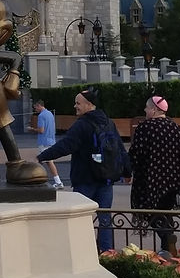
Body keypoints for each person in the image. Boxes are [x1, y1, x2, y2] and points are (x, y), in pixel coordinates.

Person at [38, 88, 129, 253]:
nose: (75, 106)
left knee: (81, 217)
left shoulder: (82, 125)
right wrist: (127, 172)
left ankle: (82, 252)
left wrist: (42, 156)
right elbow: (120, 149)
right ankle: (107, 252)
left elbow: (65, 146)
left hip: (85, 179)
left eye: (78, 103)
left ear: (88, 105)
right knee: (105, 218)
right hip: (106, 179)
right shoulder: (109, 122)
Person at [128, 94, 180, 258]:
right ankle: (167, 249)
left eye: (146, 107)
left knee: (152, 212)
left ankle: (167, 237)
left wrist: (128, 171)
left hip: (151, 180)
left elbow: (136, 153)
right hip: (174, 180)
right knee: (166, 212)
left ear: (154, 109)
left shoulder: (146, 127)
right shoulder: (176, 128)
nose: (145, 110)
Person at [32, 98, 61, 188]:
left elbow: (41, 130)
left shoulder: (41, 116)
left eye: (35, 108)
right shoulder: (50, 114)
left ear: (39, 105)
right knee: (42, 161)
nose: (35, 110)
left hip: (44, 141)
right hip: (51, 139)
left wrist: (32, 129)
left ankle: (58, 181)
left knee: (46, 161)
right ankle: (36, 179)